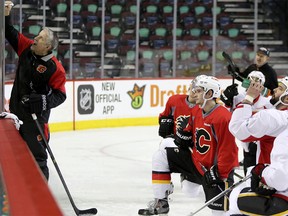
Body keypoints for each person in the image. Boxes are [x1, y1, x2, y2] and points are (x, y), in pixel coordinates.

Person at [138, 76, 238, 216]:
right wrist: (182, 136)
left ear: (209, 94)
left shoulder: (223, 117)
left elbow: (229, 151)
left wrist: (220, 173)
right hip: (195, 163)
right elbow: (188, 131)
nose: (193, 93)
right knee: (161, 155)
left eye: (198, 91)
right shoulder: (197, 110)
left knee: (219, 213)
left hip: (214, 172)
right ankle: (161, 202)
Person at [3, 1, 67, 180]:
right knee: (15, 159)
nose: (35, 39)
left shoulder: (56, 68)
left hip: (35, 120)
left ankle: (41, 203)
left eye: (40, 38)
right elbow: (10, 32)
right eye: (37, 36)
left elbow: (60, 95)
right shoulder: (27, 48)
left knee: (38, 160)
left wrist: (42, 101)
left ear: (47, 47)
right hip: (16, 114)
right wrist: (6, 14)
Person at [221, 71, 274, 175]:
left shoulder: (267, 103)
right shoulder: (237, 97)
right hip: (246, 146)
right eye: (251, 80)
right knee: (248, 177)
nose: (253, 84)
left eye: (257, 81)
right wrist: (227, 102)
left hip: (261, 147)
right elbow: (228, 118)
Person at [228, 128, 288, 215]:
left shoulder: (284, 137)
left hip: (283, 203)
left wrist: (262, 172)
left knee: (235, 197)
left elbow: (280, 180)